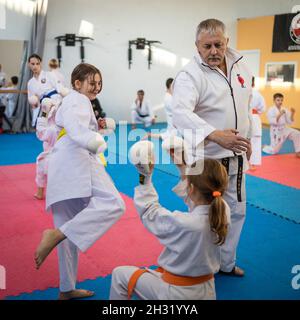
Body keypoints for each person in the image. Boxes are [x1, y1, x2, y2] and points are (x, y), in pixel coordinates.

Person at [34, 63, 125, 300]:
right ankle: (55, 235)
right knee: (114, 203)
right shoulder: (78, 100)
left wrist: (99, 127)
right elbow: (77, 130)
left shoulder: (73, 101)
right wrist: (96, 141)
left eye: (99, 83)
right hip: (77, 157)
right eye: (92, 83)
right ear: (77, 84)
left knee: (68, 228)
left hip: (62, 164)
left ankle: (66, 289)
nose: (96, 87)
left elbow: (75, 126)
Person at [171, 19, 253, 276]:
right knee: (203, 215)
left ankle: (225, 264)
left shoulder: (241, 64)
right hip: (206, 159)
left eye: (218, 44)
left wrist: (247, 141)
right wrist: (216, 135)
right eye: (207, 46)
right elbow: (179, 113)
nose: (214, 51)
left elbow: (244, 107)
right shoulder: (190, 75)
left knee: (237, 212)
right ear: (197, 47)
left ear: (227, 42)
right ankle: (200, 265)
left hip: (236, 156)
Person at [110, 145, 230, 300]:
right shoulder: (222, 211)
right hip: (207, 290)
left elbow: (149, 211)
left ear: (191, 189)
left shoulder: (186, 223)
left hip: (177, 293)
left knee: (120, 275)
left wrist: (144, 177)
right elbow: (198, 198)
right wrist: (183, 167)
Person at [27, 54, 66, 128]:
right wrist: (34, 102)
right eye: (32, 64)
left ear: (40, 63)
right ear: (29, 64)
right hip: (44, 107)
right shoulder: (30, 83)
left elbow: (60, 89)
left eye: (37, 64)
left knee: (59, 127)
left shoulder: (49, 75)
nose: (35, 66)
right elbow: (32, 101)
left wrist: (67, 98)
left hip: (56, 102)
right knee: (45, 129)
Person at [263, 93, 300, 157]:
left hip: (284, 129)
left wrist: (292, 113)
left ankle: (298, 152)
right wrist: (280, 114)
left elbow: (289, 121)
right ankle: (264, 147)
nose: (280, 102)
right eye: (278, 100)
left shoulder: (284, 109)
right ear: (274, 100)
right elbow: (272, 122)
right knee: (274, 151)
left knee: (297, 133)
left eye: (281, 100)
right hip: (276, 131)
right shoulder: (271, 110)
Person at [249, 76, 266, 170]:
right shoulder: (258, 94)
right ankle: (253, 163)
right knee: (255, 141)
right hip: (254, 117)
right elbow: (263, 108)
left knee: (243, 139)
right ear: (253, 84)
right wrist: (255, 111)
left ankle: (244, 161)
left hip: (242, 118)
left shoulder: (239, 93)